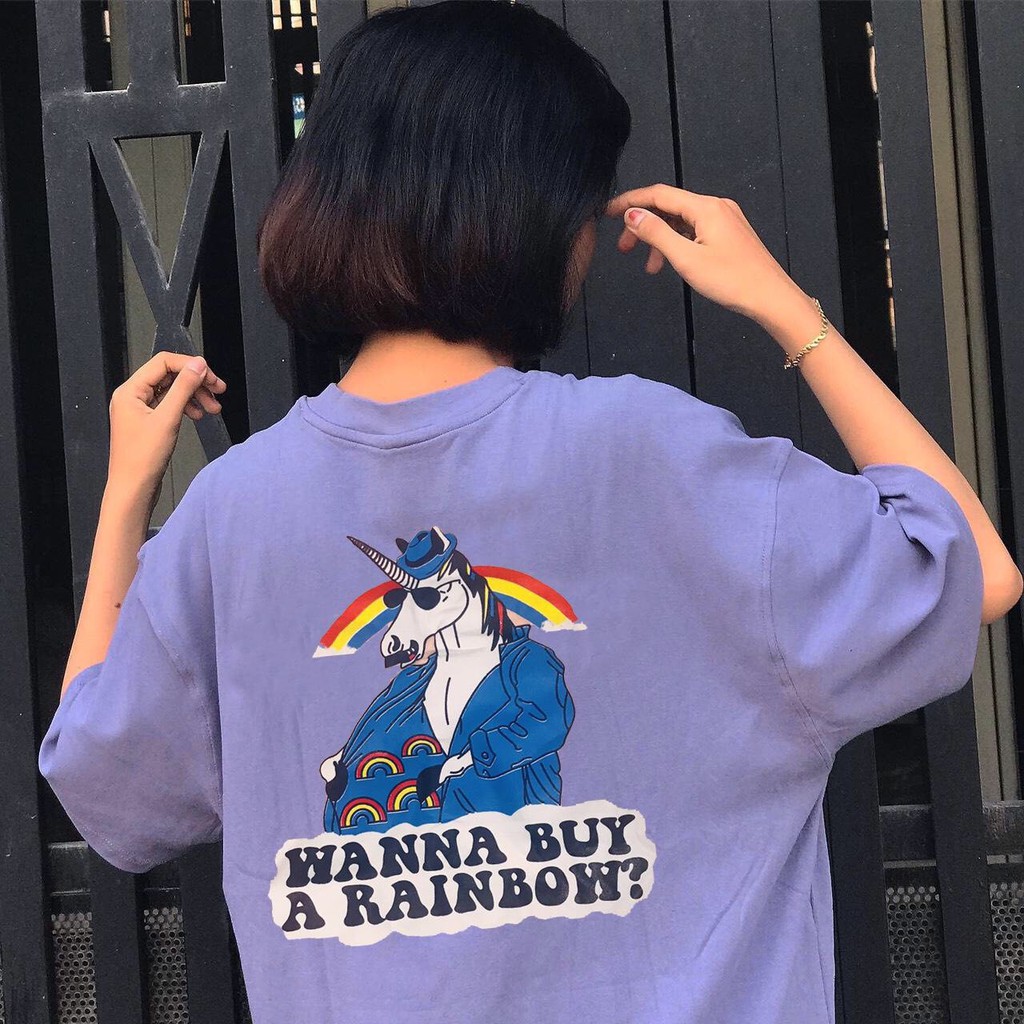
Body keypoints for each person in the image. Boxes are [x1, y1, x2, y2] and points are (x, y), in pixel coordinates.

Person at [38, 2, 1021, 1022]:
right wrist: (789, 310)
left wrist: (127, 498)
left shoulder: (230, 513)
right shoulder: (658, 457)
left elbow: (104, 781)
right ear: (543, 216)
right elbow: (968, 568)